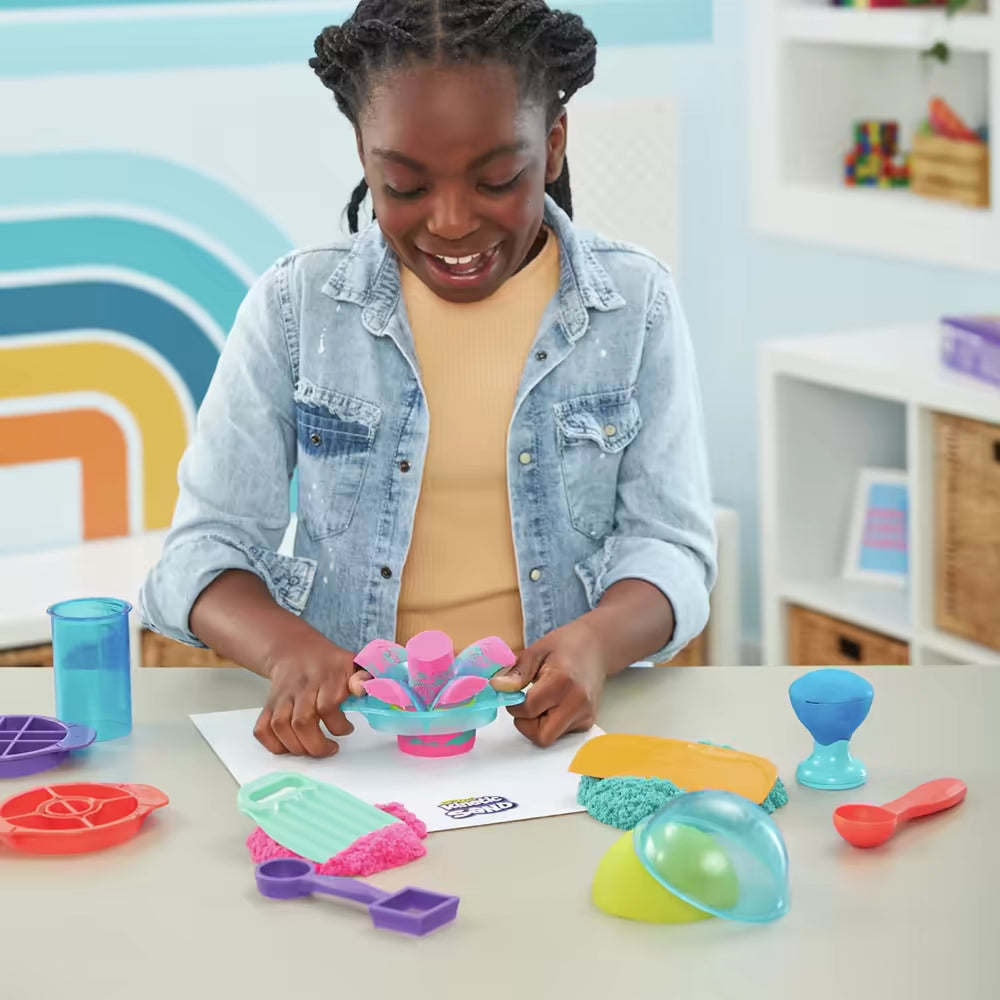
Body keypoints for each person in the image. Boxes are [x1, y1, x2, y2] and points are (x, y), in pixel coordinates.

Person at [138, 0, 718, 759]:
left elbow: (670, 545)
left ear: (554, 143)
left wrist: (597, 645)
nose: (449, 221)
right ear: (363, 154)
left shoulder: (635, 304)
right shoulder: (295, 307)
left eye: (498, 179)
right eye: (406, 186)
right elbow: (198, 553)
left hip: (548, 744)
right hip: (357, 745)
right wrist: (287, 650)